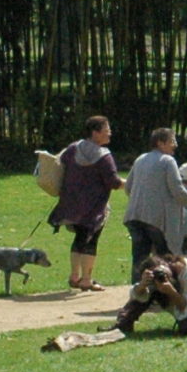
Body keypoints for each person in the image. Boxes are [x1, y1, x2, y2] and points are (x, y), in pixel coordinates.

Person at [49, 116, 122, 291]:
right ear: (95, 132)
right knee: (91, 241)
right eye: (106, 130)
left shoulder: (72, 148)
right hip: (93, 207)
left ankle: (74, 276)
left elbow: (60, 165)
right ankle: (86, 279)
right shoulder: (103, 155)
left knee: (80, 238)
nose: (110, 133)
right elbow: (113, 182)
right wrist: (132, 184)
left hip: (71, 203)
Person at [122, 127, 187, 277]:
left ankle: (138, 287)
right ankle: (166, 286)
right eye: (172, 141)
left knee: (140, 258)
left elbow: (128, 187)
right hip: (155, 220)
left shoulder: (140, 159)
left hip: (134, 216)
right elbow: (177, 189)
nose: (175, 144)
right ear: (160, 143)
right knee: (165, 257)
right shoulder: (167, 161)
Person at [112, 252, 187, 337]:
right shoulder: (162, 278)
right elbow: (136, 296)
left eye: (161, 271)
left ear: (166, 263)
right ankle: (123, 324)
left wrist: (171, 292)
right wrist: (142, 285)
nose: (163, 277)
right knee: (143, 292)